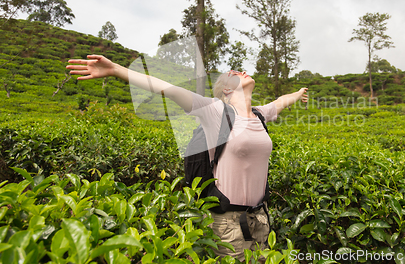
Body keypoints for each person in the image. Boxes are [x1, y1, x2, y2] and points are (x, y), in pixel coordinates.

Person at [66, 55, 308, 260]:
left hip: (260, 217)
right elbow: (167, 89)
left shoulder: (260, 115)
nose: (243, 71)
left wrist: (298, 93)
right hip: (229, 222)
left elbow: (281, 101)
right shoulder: (215, 112)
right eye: (235, 73)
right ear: (226, 89)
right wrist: (117, 70)